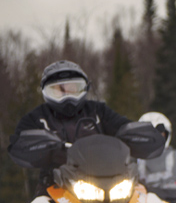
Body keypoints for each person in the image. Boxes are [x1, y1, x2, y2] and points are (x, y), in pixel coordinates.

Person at [8, 60, 135, 188]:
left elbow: (124, 127)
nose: (67, 97)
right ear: (46, 92)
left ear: (84, 88)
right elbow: (19, 141)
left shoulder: (98, 112)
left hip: (106, 181)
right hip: (54, 186)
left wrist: (141, 132)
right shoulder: (38, 118)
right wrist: (28, 143)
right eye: (58, 91)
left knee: (147, 201)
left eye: (73, 89)